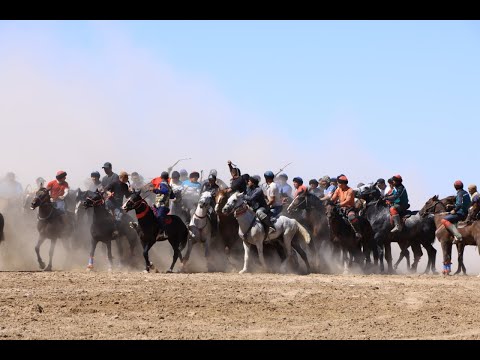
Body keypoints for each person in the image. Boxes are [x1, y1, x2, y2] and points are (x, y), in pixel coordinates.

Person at [330, 175, 362, 239]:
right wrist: (329, 202)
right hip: (339, 208)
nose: (338, 184)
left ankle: (357, 232)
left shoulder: (350, 190)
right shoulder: (338, 189)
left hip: (349, 208)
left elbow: (347, 201)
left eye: (339, 183)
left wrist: (339, 205)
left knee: (351, 218)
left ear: (343, 184)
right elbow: (333, 198)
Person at [148, 171, 175, 239]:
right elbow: (172, 196)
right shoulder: (169, 186)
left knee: (159, 217)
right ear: (167, 178)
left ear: (161, 178)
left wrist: (155, 190)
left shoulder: (162, 184)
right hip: (161, 206)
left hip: (162, 206)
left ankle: (163, 232)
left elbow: (165, 191)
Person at [104, 171, 133, 235]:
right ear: (123, 177)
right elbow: (106, 189)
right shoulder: (114, 183)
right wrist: (109, 193)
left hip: (118, 205)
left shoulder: (125, 186)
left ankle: (115, 231)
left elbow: (127, 195)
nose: (128, 179)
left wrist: (130, 191)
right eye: (127, 177)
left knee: (119, 217)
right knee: (103, 213)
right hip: (110, 202)